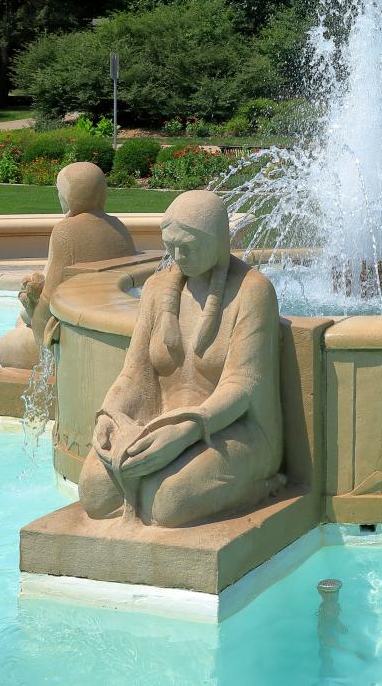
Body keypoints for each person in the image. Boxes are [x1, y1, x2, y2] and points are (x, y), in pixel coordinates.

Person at [78, 190, 284, 527]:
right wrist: (110, 415)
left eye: (186, 246)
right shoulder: (158, 289)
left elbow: (243, 385)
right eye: (170, 246)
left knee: (167, 503)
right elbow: (134, 373)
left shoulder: (252, 290)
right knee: (95, 493)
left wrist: (185, 430)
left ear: (217, 242)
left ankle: (262, 486)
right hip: (161, 420)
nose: (176, 256)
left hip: (238, 429)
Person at [0, 161, 137, 369]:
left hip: (72, 334)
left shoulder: (66, 231)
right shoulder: (118, 227)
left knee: (3, 347)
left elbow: (50, 297)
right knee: (19, 321)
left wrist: (34, 311)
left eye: (60, 192)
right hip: (101, 319)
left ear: (69, 197)